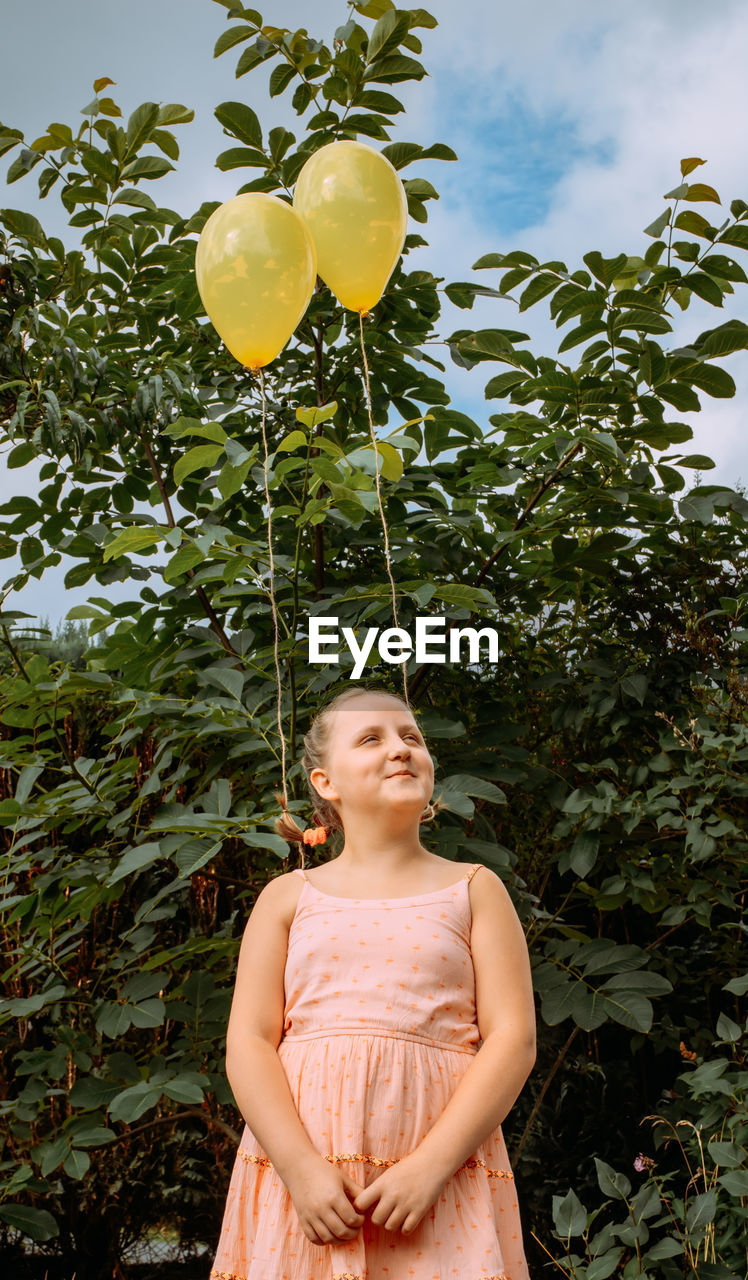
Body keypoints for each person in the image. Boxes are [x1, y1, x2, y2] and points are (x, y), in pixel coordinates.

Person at [209, 684, 536, 1280]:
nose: (401, 749)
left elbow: (513, 1038)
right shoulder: (287, 898)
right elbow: (249, 1043)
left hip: (438, 1181)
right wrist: (299, 1168)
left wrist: (430, 1167)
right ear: (324, 782)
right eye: (371, 738)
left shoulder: (474, 889)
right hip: (306, 1182)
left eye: (412, 736)